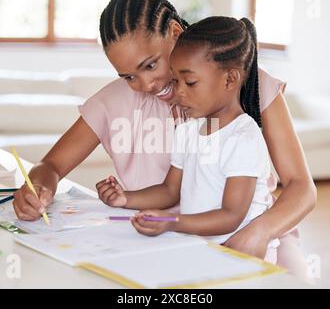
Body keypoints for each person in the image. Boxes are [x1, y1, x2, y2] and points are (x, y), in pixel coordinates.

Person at [13, 0, 315, 276]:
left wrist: (259, 231)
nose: (146, 85)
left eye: (151, 64)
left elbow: (302, 188)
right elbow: (50, 166)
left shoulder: (240, 82)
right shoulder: (113, 102)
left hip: (255, 237)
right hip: (162, 238)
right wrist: (37, 188)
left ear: (174, 32)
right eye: (129, 76)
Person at [101, 16, 281, 263]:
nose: (179, 91)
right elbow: (169, 190)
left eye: (191, 82)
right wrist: (126, 198)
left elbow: (231, 216)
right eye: (176, 81)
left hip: (241, 257)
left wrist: (171, 222)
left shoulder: (243, 138)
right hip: (202, 249)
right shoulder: (188, 130)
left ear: (230, 79)